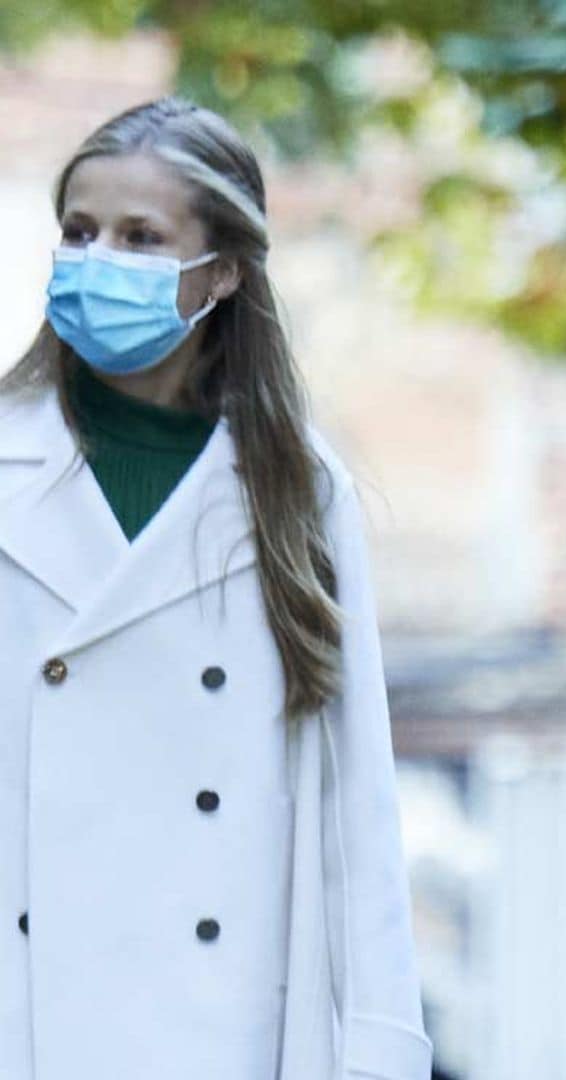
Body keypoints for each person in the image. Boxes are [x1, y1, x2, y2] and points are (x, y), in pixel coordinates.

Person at [0, 98, 433, 1079]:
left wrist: (377, 1045)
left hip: (223, 1024)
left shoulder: (297, 489)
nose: (94, 257)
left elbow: (355, 800)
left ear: (225, 272)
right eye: (78, 231)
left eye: (139, 237)